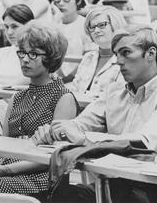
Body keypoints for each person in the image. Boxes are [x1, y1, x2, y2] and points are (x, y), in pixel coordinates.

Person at [33, 24, 157, 203]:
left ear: (151, 54)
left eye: (126, 53)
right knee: (58, 197)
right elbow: (79, 124)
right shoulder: (114, 91)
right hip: (116, 183)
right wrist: (55, 130)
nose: (118, 61)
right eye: (116, 54)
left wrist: (85, 139)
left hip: (149, 188)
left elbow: (143, 142)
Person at [0, 20, 79, 199]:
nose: (24, 59)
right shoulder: (17, 97)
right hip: (4, 169)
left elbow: (56, 156)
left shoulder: (63, 97)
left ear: (51, 57)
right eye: (22, 52)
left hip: (40, 177)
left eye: (33, 54)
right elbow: (4, 143)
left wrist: (6, 170)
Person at [70, 5, 125, 96]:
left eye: (102, 25)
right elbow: (74, 90)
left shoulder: (125, 59)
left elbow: (119, 98)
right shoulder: (88, 57)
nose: (96, 30)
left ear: (115, 24)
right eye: (92, 27)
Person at [49, 0, 90, 82]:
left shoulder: (86, 25)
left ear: (78, 0)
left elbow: (88, 61)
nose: (61, 3)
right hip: (52, 79)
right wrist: (55, 24)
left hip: (77, 80)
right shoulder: (52, 25)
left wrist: (67, 79)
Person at [0, 4, 33, 86]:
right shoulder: (1, 53)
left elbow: (19, 83)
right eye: (6, 27)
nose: (9, 32)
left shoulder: (36, 55)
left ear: (29, 26)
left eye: (14, 26)